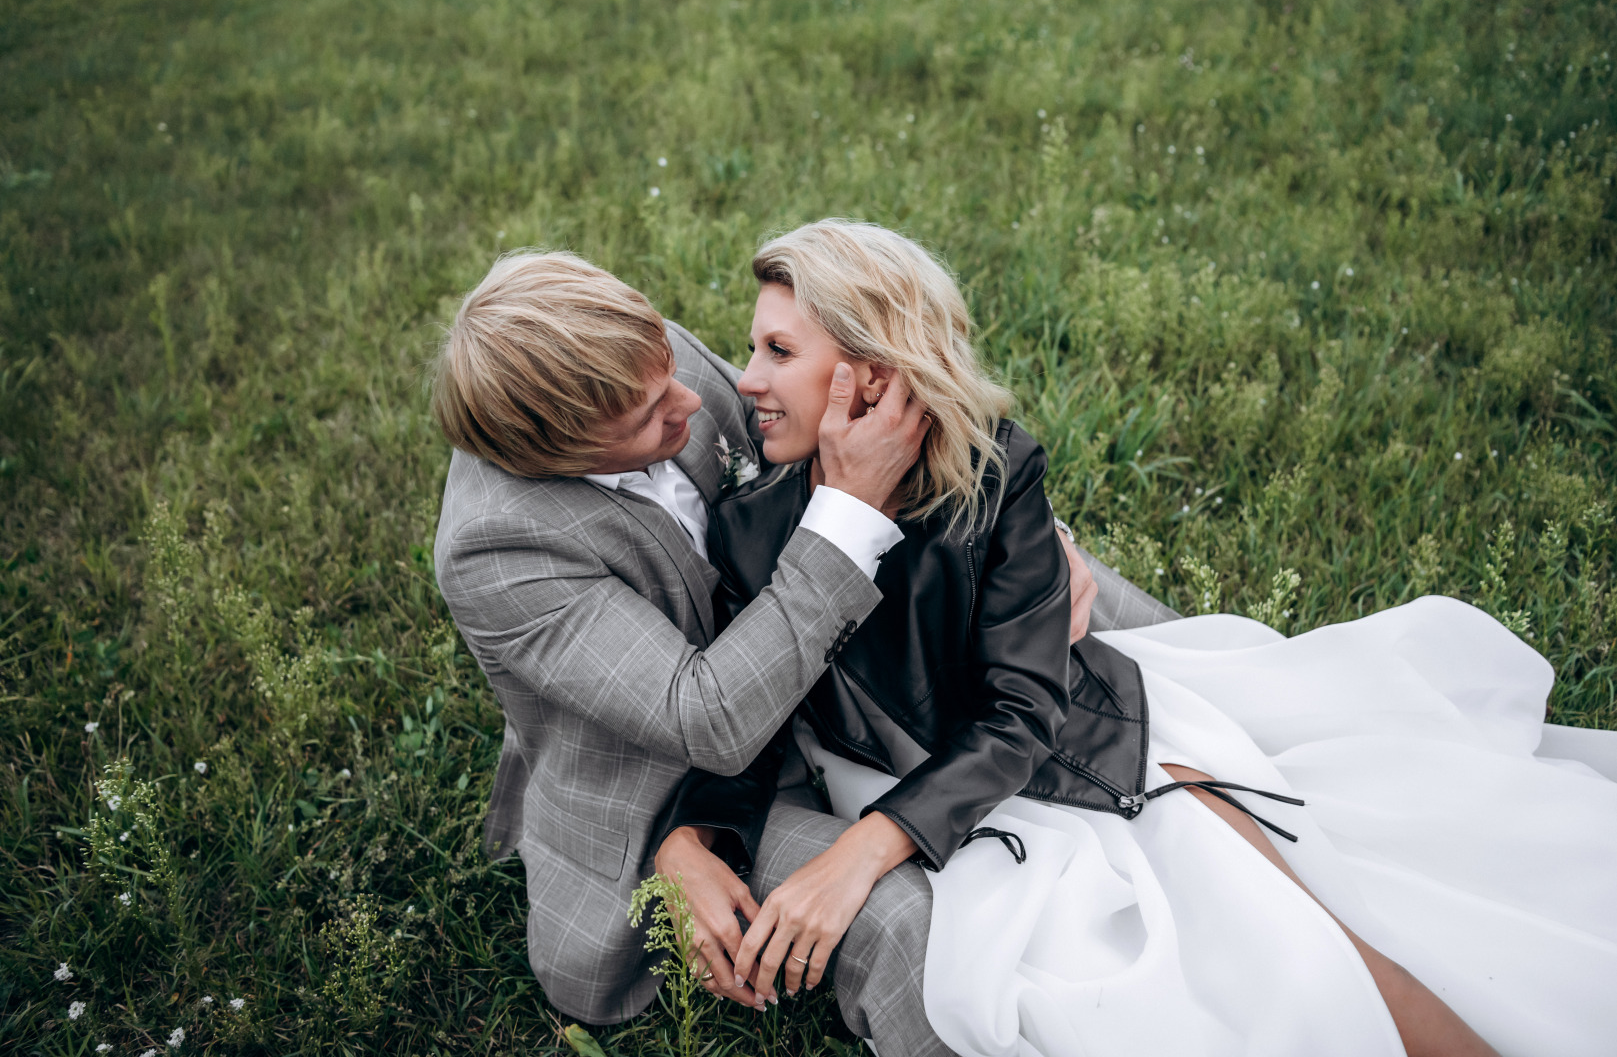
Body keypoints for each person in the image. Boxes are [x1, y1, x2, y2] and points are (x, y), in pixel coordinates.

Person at [656, 219, 1617, 1057]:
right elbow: (759, 709)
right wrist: (689, 841)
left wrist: (863, 850)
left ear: (868, 375)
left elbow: (1023, 710)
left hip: (1083, 760)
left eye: (778, 352)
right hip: (934, 805)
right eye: (753, 351)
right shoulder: (753, 525)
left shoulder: (996, 477)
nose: (746, 384)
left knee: (1307, 944)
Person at [428, 249, 1176, 1055]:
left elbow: (798, 428)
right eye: (650, 417)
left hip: (826, 666)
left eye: (670, 368)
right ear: (559, 456)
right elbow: (708, 719)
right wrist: (849, 509)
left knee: (1073, 584)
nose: (696, 397)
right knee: (908, 921)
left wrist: (1017, 539)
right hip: (680, 781)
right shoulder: (497, 549)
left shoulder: (640, 366)